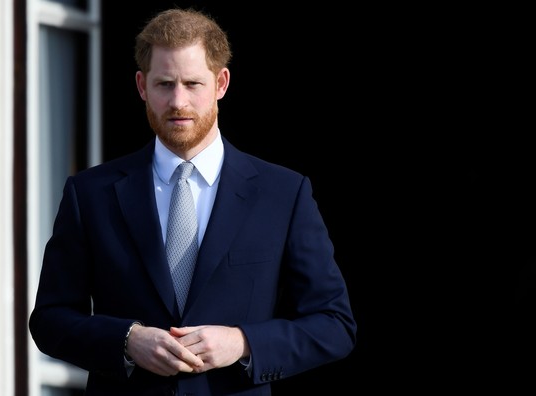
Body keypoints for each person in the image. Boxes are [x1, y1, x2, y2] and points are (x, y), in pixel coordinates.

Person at [28, 6, 356, 396]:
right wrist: (127, 340)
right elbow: (49, 319)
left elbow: (334, 324)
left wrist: (242, 342)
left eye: (193, 84)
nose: (178, 101)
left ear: (221, 83)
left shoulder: (283, 194)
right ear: (141, 86)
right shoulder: (91, 194)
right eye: (165, 84)